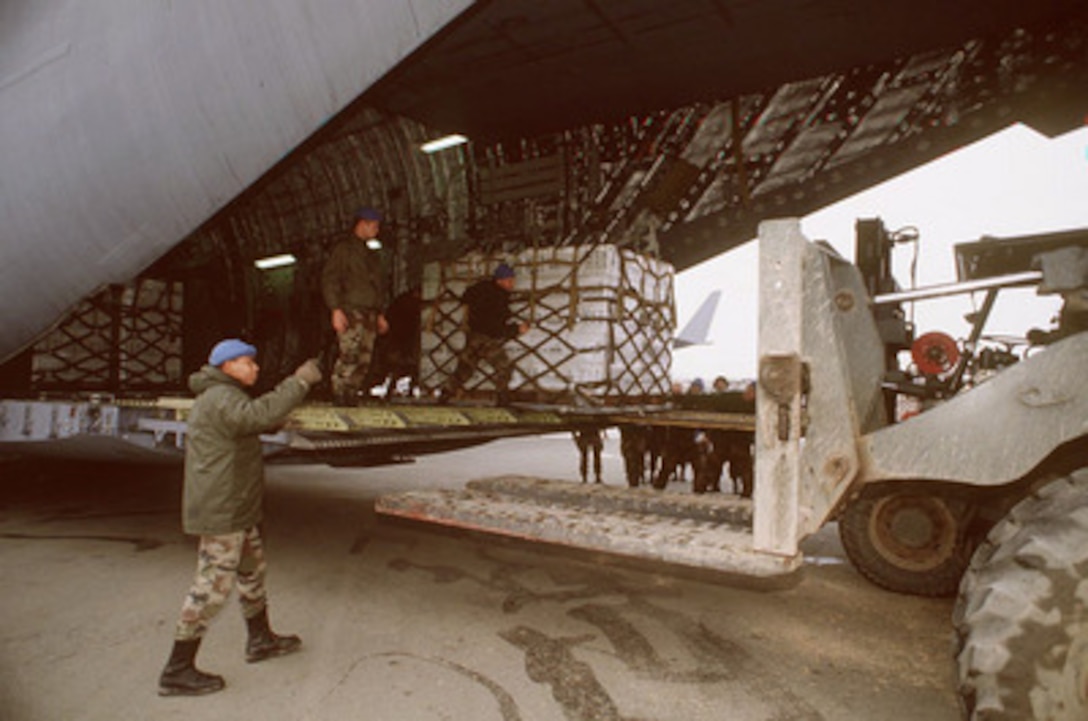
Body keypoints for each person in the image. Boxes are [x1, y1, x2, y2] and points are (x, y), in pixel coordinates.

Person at [158, 339, 322, 697]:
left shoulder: (224, 397)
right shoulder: (222, 397)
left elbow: (247, 424)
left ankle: (260, 639)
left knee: (252, 571)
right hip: (223, 510)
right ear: (228, 365)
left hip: (237, 506)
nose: (256, 368)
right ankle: (177, 669)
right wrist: (300, 381)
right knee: (211, 588)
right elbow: (254, 415)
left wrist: (267, 423)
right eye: (248, 362)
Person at [322, 207, 388, 405]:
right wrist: (335, 309)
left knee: (364, 357)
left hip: (369, 313)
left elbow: (377, 287)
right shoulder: (344, 250)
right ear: (363, 224)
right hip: (351, 310)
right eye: (374, 226)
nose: (377, 230)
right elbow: (330, 280)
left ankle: (351, 393)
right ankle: (339, 393)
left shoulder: (371, 254)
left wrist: (380, 314)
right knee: (350, 353)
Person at [442, 263, 528, 405]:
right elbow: (495, 326)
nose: (512, 284)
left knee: (465, 369)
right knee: (504, 367)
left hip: (473, 336)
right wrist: (516, 330)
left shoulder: (480, 290)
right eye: (509, 280)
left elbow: (466, 297)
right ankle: (502, 398)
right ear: (499, 280)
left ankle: (445, 393)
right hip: (487, 339)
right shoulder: (498, 297)